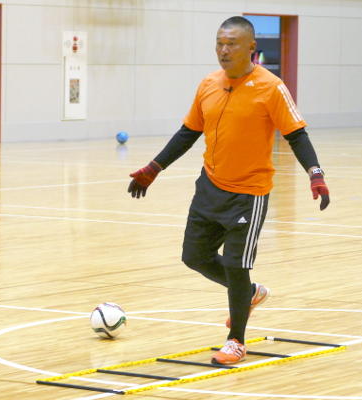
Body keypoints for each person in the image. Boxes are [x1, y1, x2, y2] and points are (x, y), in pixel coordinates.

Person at [128, 16, 329, 365]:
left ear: (251, 48)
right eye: (219, 43)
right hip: (209, 187)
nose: (224, 50)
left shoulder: (272, 87)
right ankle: (249, 294)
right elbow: (188, 132)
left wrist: (315, 174)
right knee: (194, 256)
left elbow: (297, 134)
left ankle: (236, 340)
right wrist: (154, 168)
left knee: (236, 265)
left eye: (232, 44)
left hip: (249, 194)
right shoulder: (208, 84)